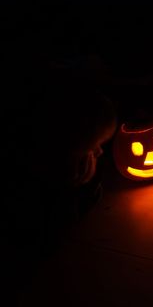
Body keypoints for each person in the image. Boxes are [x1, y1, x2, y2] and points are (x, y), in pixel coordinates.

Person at [2, 76, 117, 303]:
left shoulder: (61, 166)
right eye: (95, 147)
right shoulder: (46, 193)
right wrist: (83, 186)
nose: (100, 153)